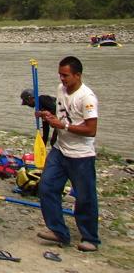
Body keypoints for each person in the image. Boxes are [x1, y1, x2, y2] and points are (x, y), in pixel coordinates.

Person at [36, 56, 100, 252]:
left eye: (66, 76)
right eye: (60, 75)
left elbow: (91, 130)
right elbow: (62, 116)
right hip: (60, 150)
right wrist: (49, 117)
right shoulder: (60, 90)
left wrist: (62, 125)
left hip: (81, 155)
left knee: (84, 197)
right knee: (46, 187)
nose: (62, 79)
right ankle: (58, 231)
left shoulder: (87, 97)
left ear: (77, 75)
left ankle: (90, 238)